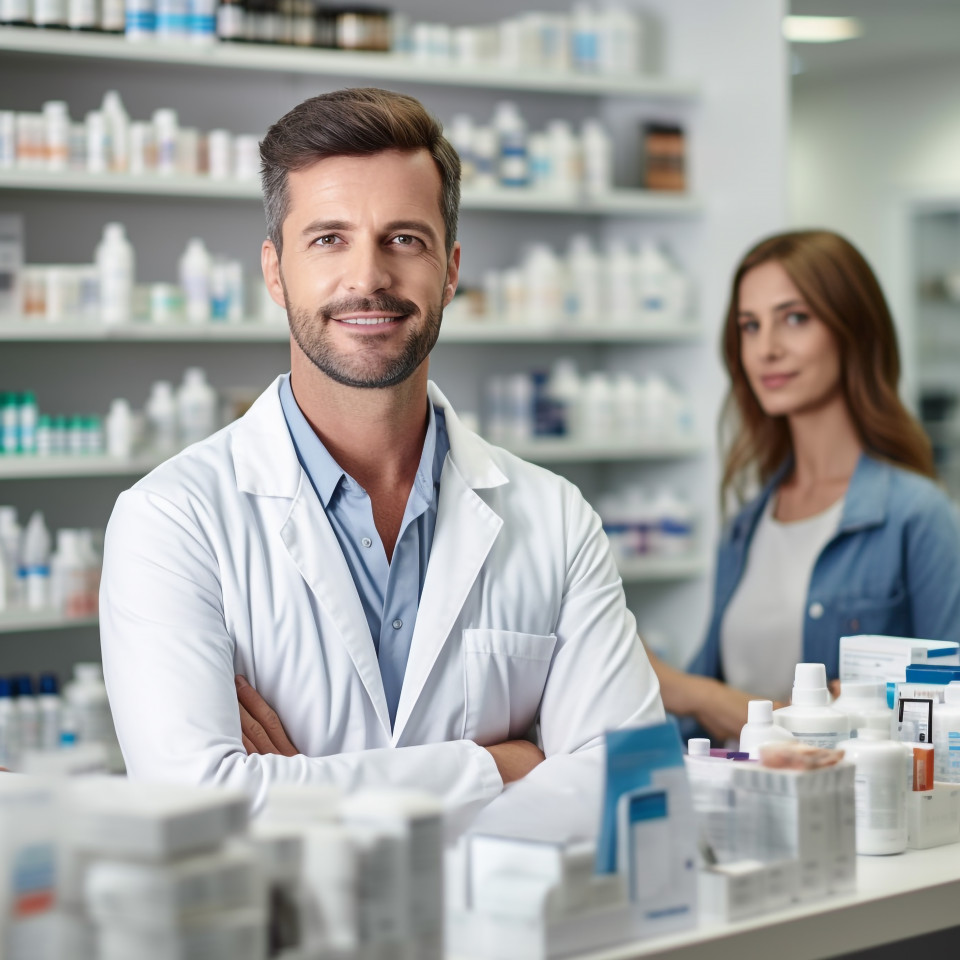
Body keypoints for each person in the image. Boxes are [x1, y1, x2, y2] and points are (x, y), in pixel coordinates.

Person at [99, 87, 663, 835]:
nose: (367, 278)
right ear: (275, 271)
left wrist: (294, 788)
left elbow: (630, 781)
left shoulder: (554, 518)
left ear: (451, 269)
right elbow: (198, 809)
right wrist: (499, 765)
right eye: (328, 238)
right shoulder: (172, 520)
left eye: (404, 239)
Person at [649, 229, 960, 743]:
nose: (767, 348)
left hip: (853, 815)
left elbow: (948, 712)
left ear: (852, 329)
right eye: (750, 326)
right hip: (739, 811)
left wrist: (694, 693)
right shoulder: (746, 524)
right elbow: (694, 717)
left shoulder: (916, 515)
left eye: (795, 318)